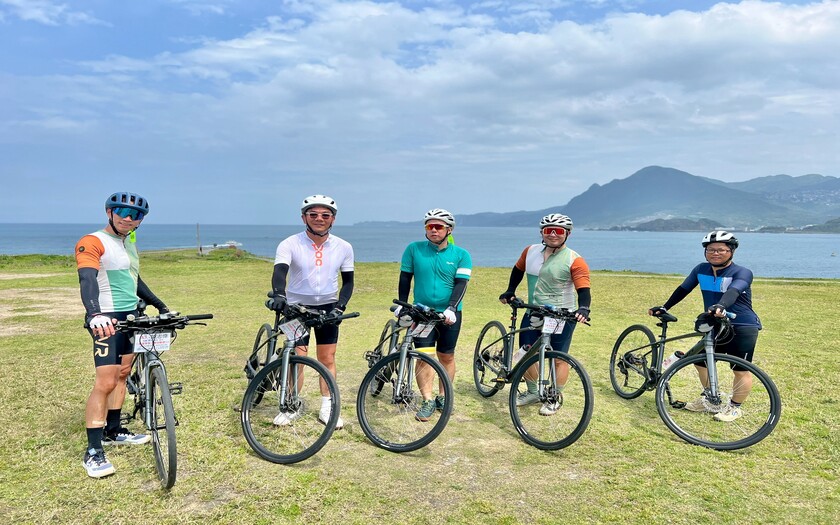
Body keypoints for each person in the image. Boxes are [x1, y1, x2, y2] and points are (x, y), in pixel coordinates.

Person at [75, 192, 171, 478]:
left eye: (136, 216)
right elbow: (87, 278)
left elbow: (134, 279)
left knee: (122, 374)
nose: (129, 219)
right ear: (109, 212)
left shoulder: (128, 242)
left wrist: (159, 304)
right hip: (106, 317)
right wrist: (94, 313)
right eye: (122, 212)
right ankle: (93, 449)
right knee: (105, 381)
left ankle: (114, 430)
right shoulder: (92, 241)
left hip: (131, 316)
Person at [649, 230, 761, 422]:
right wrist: (665, 306)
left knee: (740, 369)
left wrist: (721, 305)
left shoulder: (742, 272)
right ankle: (711, 399)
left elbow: (734, 291)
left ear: (731, 251)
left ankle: (734, 408)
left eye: (721, 250)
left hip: (742, 325)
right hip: (715, 324)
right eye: (710, 249)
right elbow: (683, 289)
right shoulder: (701, 269)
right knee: (700, 361)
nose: (715, 253)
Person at [265, 195, 354, 429]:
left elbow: (348, 283)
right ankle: (292, 403)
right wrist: (279, 295)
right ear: (304, 217)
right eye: (313, 214)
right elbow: (280, 273)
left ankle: (328, 405)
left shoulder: (344, 247)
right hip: (295, 307)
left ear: (333, 219)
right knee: (298, 357)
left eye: (325, 215)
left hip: (328, 307)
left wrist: (340, 307)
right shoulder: (290, 243)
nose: (319, 219)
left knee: (327, 358)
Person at [498, 213, 591, 416]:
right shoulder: (530, 251)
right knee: (526, 352)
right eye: (549, 230)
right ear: (542, 232)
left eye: (558, 231)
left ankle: (554, 397)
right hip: (533, 311)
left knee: (558, 359)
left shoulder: (575, 260)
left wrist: (584, 308)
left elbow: (583, 290)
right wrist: (510, 289)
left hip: (562, 315)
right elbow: (517, 269)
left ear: (567, 234)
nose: (553, 235)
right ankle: (532, 392)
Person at [396, 208, 472, 422]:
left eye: (439, 227)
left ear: (449, 230)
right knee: (424, 357)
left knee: (446, 355)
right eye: (430, 226)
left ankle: (443, 396)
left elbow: (461, 284)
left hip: (449, 314)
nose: (434, 230)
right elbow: (405, 278)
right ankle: (427, 400)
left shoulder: (461, 255)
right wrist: (403, 304)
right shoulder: (414, 249)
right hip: (422, 312)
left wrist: (451, 308)